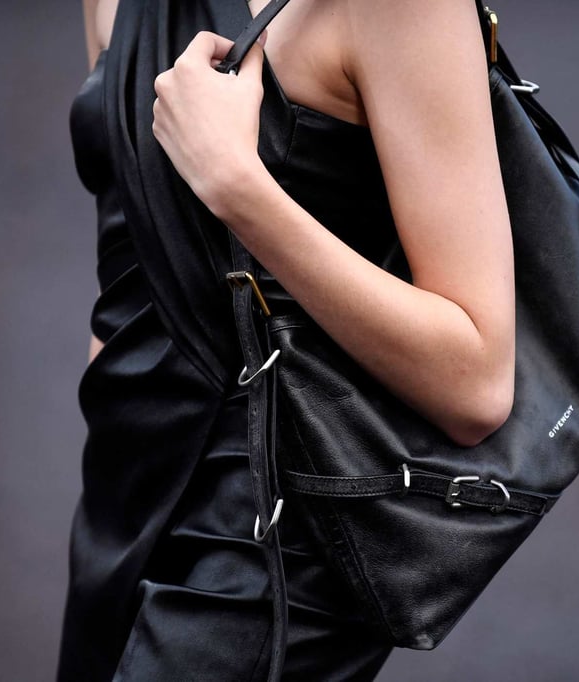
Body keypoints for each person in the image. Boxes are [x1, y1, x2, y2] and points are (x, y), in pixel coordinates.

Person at [58, 0, 515, 679]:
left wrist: (237, 187)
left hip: (268, 533)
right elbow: (129, 244)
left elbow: (477, 379)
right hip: (121, 497)